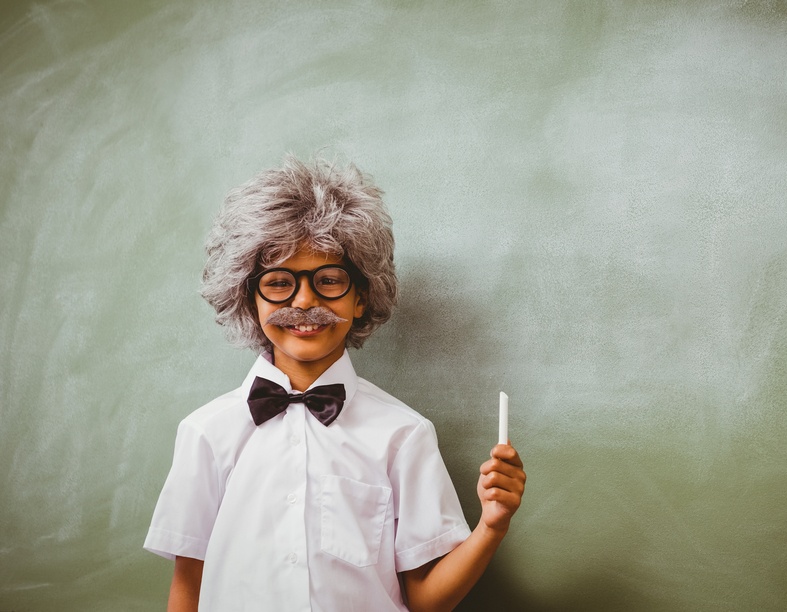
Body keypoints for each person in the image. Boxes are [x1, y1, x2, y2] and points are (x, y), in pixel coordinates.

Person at [144, 156, 526, 611]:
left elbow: (425, 599)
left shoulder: (404, 434)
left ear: (361, 297)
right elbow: (188, 586)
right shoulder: (206, 432)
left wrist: (492, 526)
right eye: (279, 282)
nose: (304, 301)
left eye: (329, 280)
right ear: (249, 299)